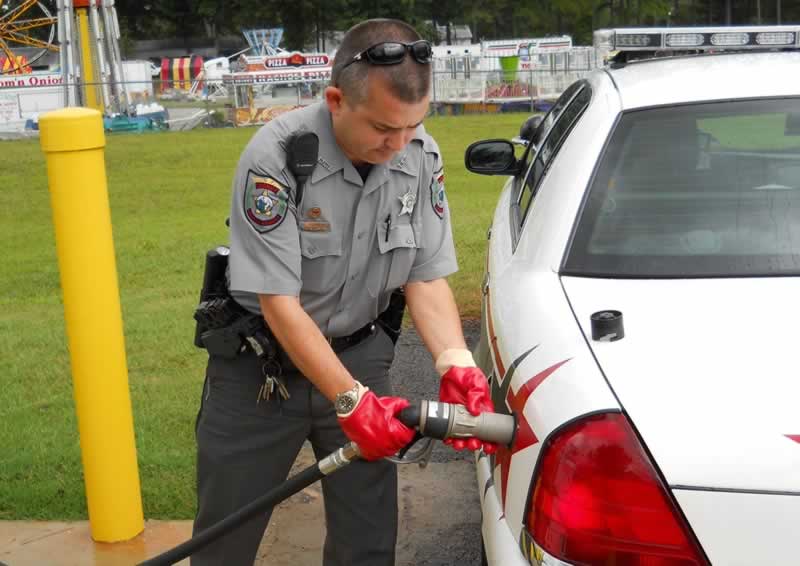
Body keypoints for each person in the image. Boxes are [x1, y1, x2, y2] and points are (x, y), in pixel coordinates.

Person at [192, 18, 496, 566]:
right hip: (262, 375)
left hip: (360, 359)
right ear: (336, 99)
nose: (400, 143)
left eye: (413, 125)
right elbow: (278, 302)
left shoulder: (419, 154)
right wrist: (349, 399)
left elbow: (424, 274)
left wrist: (456, 363)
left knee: (368, 540)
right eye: (384, 127)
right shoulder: (277, 159)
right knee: (224, 541)